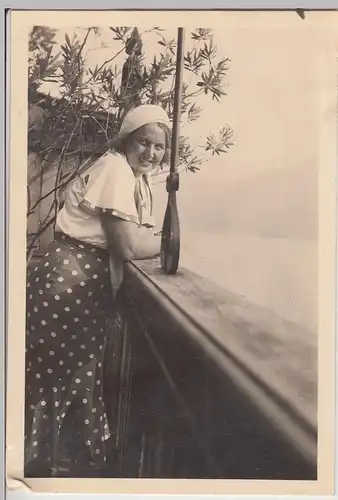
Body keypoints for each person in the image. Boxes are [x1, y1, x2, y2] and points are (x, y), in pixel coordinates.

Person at [25, 104, 171, 477]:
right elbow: (126, 247)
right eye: (143, 143)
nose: (151, 153)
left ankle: (53, 459)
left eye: (159, 147)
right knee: (58, 375)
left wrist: (152, 240)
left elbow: (130, 241)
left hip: (82, 282)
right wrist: (170, 243)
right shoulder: (115, 171)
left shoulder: (132, 176)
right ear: (126, 140)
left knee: (70, 375)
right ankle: (44, 464)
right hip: (70, 283)